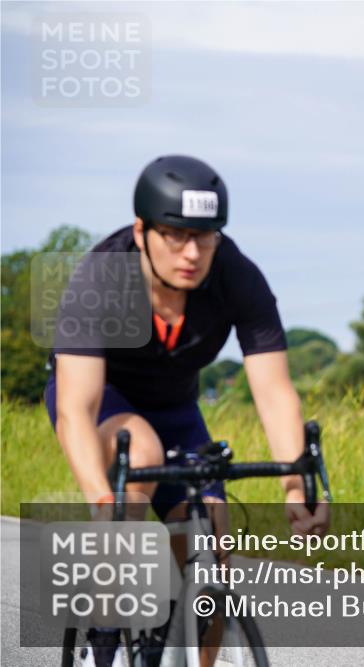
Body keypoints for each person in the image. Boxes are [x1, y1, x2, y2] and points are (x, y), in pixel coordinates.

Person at [44, 155, 329, 664]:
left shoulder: (236, 275)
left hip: (176, 408)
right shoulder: (102, 278)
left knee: (213, 554)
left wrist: (294, 485)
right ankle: (104, 642)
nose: (192, 252)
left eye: (206, 236)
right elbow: (74, 409)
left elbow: (273, 391)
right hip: (103, 400)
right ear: (141, 230)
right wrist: (100, 501)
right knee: (133, 480)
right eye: (176, 235)